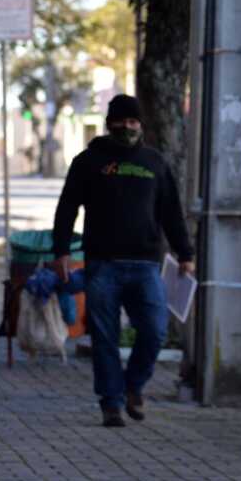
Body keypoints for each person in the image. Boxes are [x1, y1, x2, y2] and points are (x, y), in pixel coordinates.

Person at [52, 94, 195, 428]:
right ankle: (111, 403)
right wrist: (61, 251)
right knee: (104, 338)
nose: (128, 127)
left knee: (155, 331)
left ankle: (134, 387)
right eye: (122, 121)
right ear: (109, 123)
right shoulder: (88, 162)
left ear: (140, 125)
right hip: (102, 264)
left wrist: (185, 253)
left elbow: (172, 212)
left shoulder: (155, 163)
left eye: (134, 122)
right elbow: (67, 209)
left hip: (146, 266)